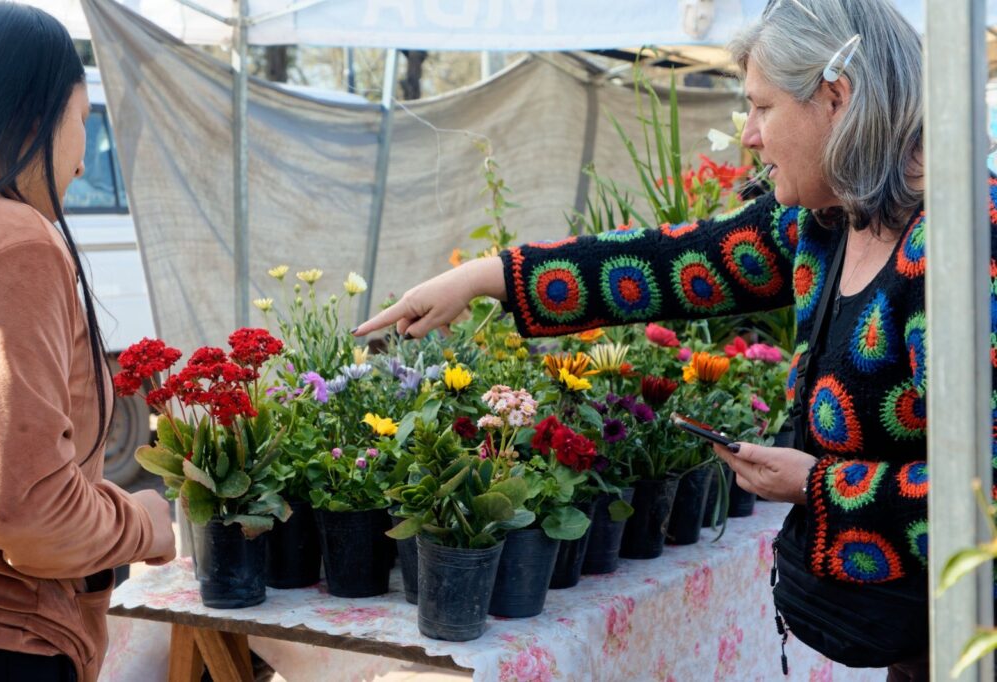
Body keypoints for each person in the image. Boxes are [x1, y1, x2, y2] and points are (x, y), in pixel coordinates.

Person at [357, 1, 983, 679]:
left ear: (836, 98)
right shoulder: (825, 223)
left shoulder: (964, 247)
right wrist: (486, 278)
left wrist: (821, 487)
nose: (749, 136)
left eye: (763, 108)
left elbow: (983, 490)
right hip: (920, 639)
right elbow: (665, 264)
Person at [0, 4, 176, 681]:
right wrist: (145, 521)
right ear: (33, 120)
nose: (85, 157)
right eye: (80, 122)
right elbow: (26, 513)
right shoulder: (12, 239)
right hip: (2, 642)